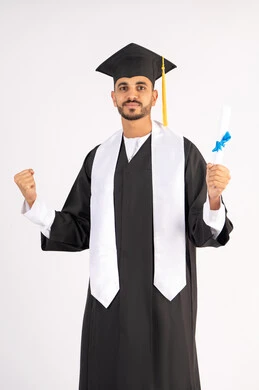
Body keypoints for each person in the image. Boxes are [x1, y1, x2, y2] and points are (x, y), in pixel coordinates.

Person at [14, 43, 233, 390]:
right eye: (124, 87)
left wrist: (216, 199)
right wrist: (35, 204)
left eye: (140, 87)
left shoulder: (182, 152)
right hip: (110, 302)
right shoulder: (98, 158)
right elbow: (78, 229)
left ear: (154, 95)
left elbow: (200, 230)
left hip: (166, 301)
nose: (132, 95)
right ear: (113, 97)